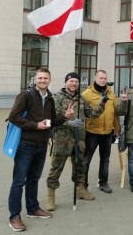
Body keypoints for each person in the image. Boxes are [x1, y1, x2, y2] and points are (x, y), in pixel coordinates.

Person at [7, 68, 75, 232]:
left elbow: (50, 122)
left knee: (34, 179)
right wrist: (35, 126)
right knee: (18, 182)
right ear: (35, 79)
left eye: (46, 78)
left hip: (42, 145)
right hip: (25, 145)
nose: (43, 80)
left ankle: (32, 209)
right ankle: (14, 216)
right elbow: (13, 117)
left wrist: (65, 116)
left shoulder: (49, 98)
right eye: (40, 78)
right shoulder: (26, 95)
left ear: (50, 80)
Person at [46, 72, 104, 211]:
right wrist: (69, 122)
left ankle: (80, 190)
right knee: (56, 168)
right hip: (62, 140)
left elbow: (91, 114)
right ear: (66, 82)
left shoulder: (82, 99)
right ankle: (50, 196)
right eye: (71, 81)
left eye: (76, 82)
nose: (73, 84)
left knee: (79, 167)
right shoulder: (56, 98)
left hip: (79, 139)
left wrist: (103, 103)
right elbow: (52, 120)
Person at [82, 70, 121, 194]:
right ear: (95, 78)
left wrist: (117, 129)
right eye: (101, 78)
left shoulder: (111, 93)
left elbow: (115, 113)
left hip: (107, 132)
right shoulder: (86, 94)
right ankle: (83, 185)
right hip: (92, 132)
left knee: (105, 159)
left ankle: (103, 183)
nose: (103, 80)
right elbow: (83, 114)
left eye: (105, 78)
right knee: (86, 159)